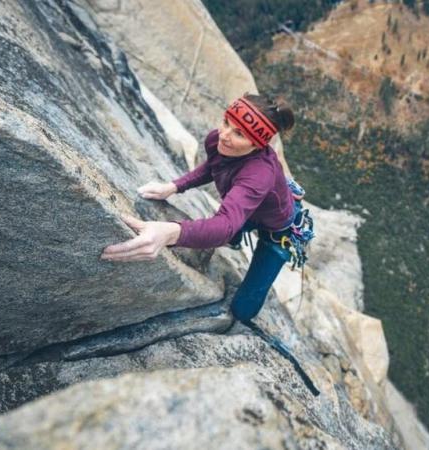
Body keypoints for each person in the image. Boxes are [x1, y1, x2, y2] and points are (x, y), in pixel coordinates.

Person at [100, 94, 305, 324]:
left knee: (242, 310)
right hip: (250, 204)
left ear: (257, 144)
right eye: (227, 122)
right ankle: (239, 234)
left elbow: (225, 226)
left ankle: (242, 245)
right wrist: (174, 186)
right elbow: (212, 167)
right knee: (234, 221)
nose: (225, 135)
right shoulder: (217, 141)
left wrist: (170, 233)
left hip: (278, 228)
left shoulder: (258, 175)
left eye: (239, 134)